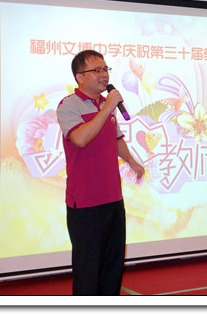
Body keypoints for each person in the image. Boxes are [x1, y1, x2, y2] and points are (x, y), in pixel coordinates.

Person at [56, 49, 144, 295]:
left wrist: (132, 162)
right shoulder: (68, 105)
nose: (104, 74)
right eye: (97, 70)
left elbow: (116, 139)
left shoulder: (106, 105)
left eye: (105, 69)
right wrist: (106, 110)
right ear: (79, 77)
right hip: (85, 203)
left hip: (113, 198)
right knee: (88, 269)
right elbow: (80, 138)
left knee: (112, 267)